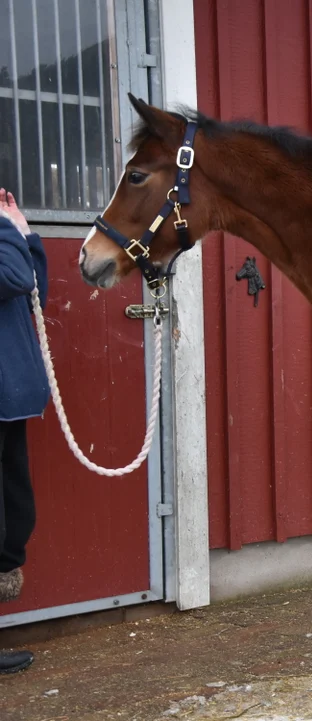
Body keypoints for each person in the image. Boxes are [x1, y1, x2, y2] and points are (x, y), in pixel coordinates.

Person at [0, 188, 49, 675]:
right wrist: (6, 228)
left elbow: (35, 291)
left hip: (10, 403)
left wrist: (28, 234)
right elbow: (11, 276)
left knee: (15, 518)